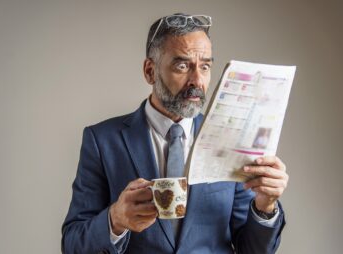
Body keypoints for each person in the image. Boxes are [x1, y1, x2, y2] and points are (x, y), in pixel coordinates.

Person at [61, 13, 288, 254]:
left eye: (205, 66)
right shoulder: (102, 141)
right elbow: (73, 245)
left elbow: (252, 250)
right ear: (150, 71)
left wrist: (265, 207)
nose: (197, 80)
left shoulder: (231, 140)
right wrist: (114, 220)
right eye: (182, 65)